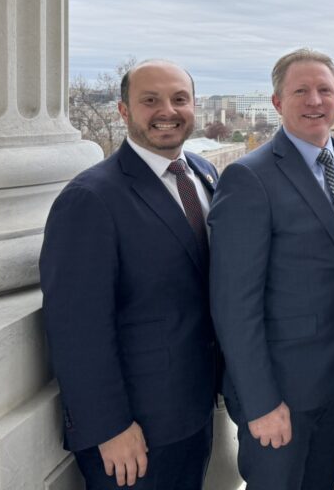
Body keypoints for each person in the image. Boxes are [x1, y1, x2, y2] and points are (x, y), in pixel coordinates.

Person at [40, 60, 219, 489]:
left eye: (180, 99)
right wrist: (108, 427)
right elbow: (76, 328)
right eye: (150, 100)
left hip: (195, 412)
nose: (167, 111)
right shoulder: (90, 199)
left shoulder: (203, 175)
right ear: (124, 111)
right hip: (133, 434)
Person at [209, 48, 334, 490]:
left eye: (324, 90)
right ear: (277, 102)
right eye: (301, 91)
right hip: (280, 397)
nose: (315, 100)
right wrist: (260, 402)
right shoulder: (248, 178)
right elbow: (233, 304)